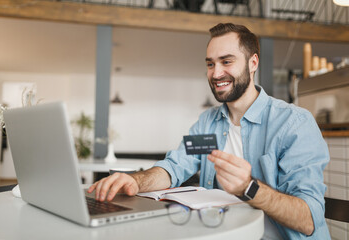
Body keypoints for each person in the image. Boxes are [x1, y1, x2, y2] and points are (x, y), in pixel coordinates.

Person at [88, 23, 330, 239]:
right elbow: (175, 166)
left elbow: (308, 219)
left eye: (227, 61)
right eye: (210, 64)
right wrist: (135, 180)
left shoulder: (293, 123)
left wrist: (249, 187)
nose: (216, 73)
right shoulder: (208, 123)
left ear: (253, 62)